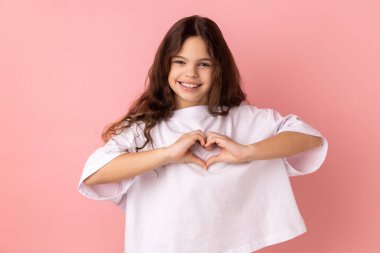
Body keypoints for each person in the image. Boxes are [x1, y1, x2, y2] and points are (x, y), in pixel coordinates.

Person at [77, 15, 328, 253]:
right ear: (165, 66)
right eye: (180, 62)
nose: (191, 74)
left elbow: (309, 138)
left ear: (219, 69)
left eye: (204, 64)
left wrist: (247, 152)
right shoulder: (144, 128)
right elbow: (93, 174)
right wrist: (167, 154)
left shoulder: (242, 119)